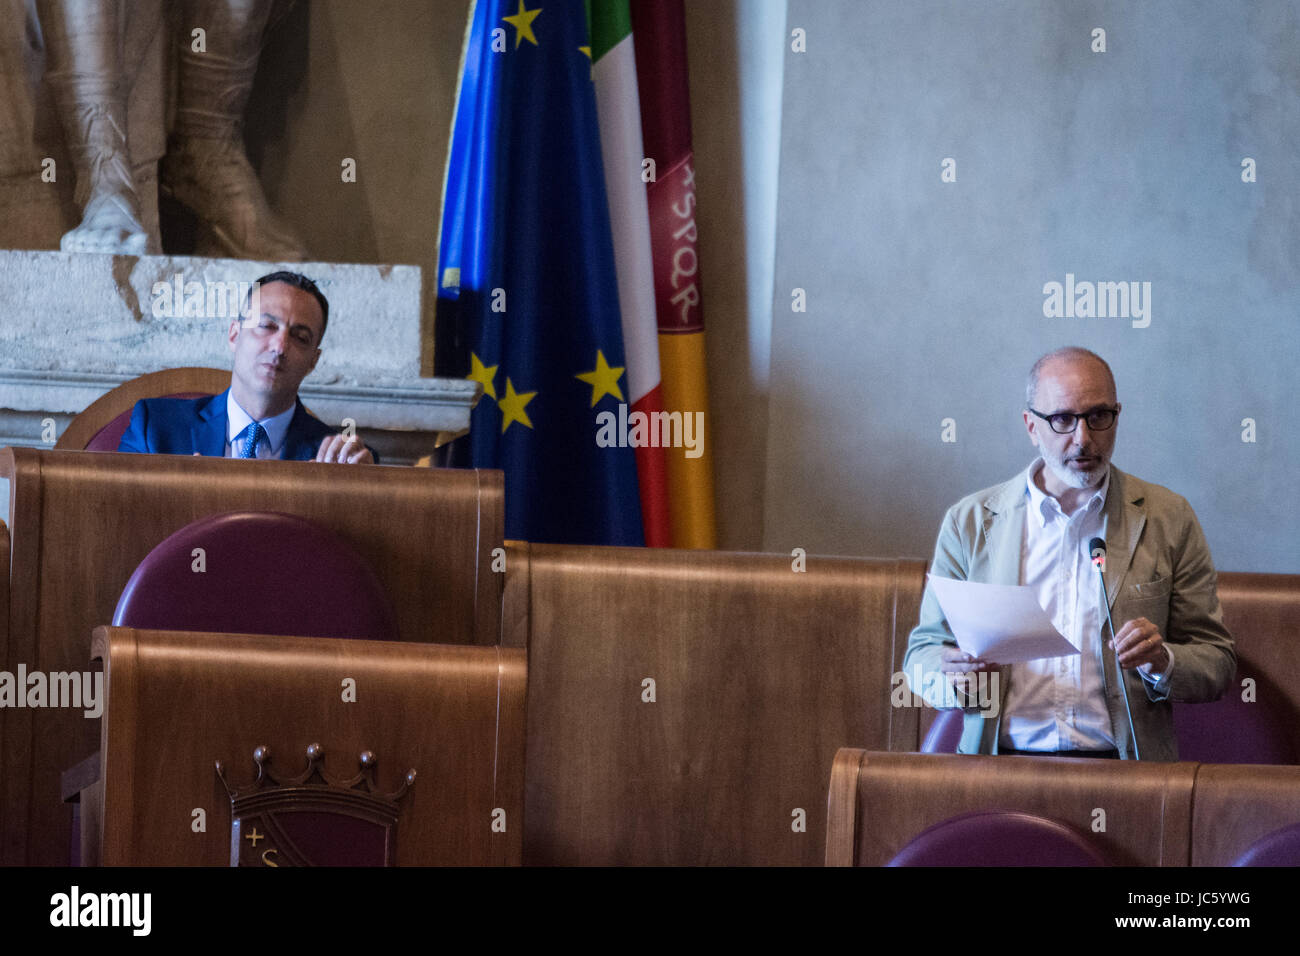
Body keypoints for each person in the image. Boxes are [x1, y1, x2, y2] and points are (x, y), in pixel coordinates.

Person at [904, 347, 1233, 761]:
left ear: (1116, 416)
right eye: (1062, 419)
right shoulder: (969, 522)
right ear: (1030, 426)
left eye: (1098, 417)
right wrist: (953, 678)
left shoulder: (1169, 518)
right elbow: (921, 658)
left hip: (1127, 771)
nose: (1083, 439)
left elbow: (1217, 663)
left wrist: (1161, 659)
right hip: (998, 764)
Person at [117, 271, 374, 463]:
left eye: (300, 337)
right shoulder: (154, 426)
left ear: (313, 362)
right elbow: (120, 520)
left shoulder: (340, 460)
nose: (280, 346)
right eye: (266, 326)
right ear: (234, 335)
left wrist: (359, 487)